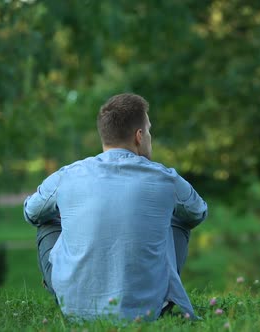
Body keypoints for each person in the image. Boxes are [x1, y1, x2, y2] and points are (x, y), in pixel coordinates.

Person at [23, 93, 207, 321]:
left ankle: (73, 294)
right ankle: (159, 296)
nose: (150, 136)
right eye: (149, 130)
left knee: (46, 219)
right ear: (139, 136)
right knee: (179, 217)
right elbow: (197, 213)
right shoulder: (166, 179)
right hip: (147, 312)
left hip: (74, 311)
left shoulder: (68, 175)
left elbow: (32, 212)